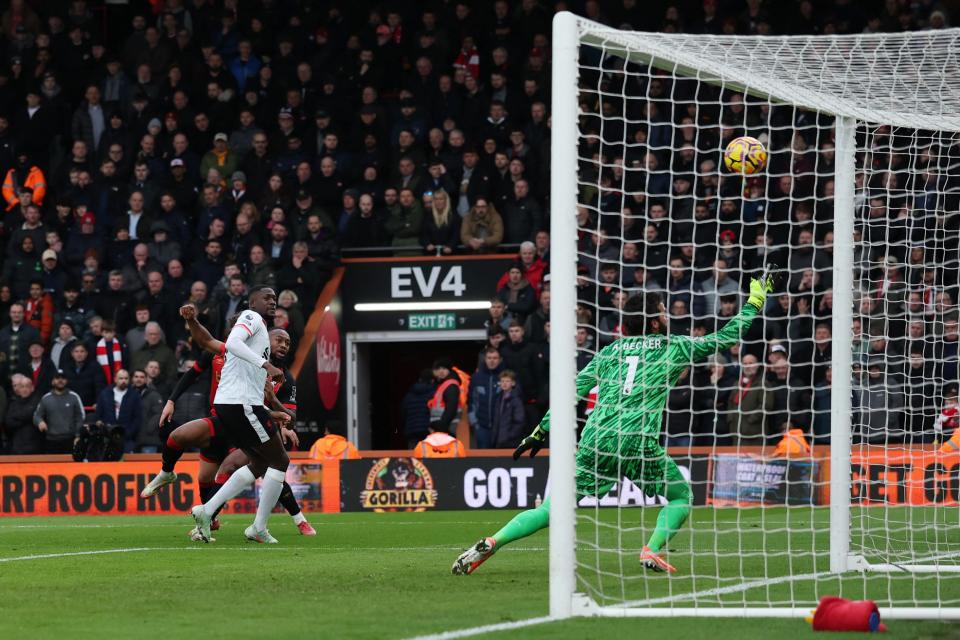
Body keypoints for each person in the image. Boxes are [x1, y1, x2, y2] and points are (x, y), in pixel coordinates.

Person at [452, 269, 777, 576]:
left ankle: (493, 542)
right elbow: (726, 336)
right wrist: (754, 303)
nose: (667, 316)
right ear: (653, 321)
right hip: (636, 440)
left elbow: (571, 393)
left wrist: (541, 430)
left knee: (553, 508)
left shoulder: (609, 352)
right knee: (681, 497)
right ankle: (650, 549)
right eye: (664, 311)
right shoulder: (674, 346)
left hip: (596, 439)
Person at [142, 306, 314, 537]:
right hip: (227, 417)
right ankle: (202, 507)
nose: (283, 345)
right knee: (185, 445)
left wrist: (276, 409)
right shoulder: (233, 353)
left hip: (249, 421)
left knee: (262, 464)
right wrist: (171, 400)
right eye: (279, 340)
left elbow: (287, 415)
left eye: (287, 343)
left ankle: (293, 519)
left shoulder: (283, 376)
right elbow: (206, 343)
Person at [32, 369, 85, 454]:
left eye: (63, 378)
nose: (60, 380)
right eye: (57, 378)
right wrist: (40, 422)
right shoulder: (46, 398)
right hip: (51, 441)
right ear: (53, 381)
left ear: (67, 381)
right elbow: (36, 415)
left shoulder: (74, 397)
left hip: (70, 440)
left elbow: (81, 417)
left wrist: (78, 435)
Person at [94, 369, 143, 453]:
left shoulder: (134, 395)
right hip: (107, 437)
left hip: (127, 439)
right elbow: (99, 415)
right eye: (121, 378)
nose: (123, 381)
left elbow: (137, 418)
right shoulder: (105, 394)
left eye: (126, 378)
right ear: (115, 379)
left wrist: (128, 433)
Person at [399, 369, 434, 449]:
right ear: (432, 380)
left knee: (412, 456)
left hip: (411, 430)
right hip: (427, 429)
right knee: (429, 456)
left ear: (419, 379)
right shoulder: (433, 393)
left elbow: (403, 413)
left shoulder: (408, 396)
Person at [491, 370, 526, 449]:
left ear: (513, 383)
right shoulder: (498, 398)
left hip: (510, 441)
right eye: (502, 381)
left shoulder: (516, 399)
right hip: (499, 440)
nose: (504, 383)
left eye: (507, 381)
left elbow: (519, 421)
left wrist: (509, 435)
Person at [6, 375, 40, 454]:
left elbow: (31, 414)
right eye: (22, 387)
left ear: (32, 388)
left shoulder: (37, 401)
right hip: (17, 447)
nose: (24, 389)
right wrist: (26, 420)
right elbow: (8, 422)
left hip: (34, 446)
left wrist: (16, 417)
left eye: (27, 386)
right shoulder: (13, 403)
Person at [428, 358, 461, 435]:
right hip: (443, 427)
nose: (441, 371)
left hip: (447, 427)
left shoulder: (450, 385)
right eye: (438, 368)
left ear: (449, 370)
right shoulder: (444, 384)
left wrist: (442, 425)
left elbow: (451, 407)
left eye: (444, 368)